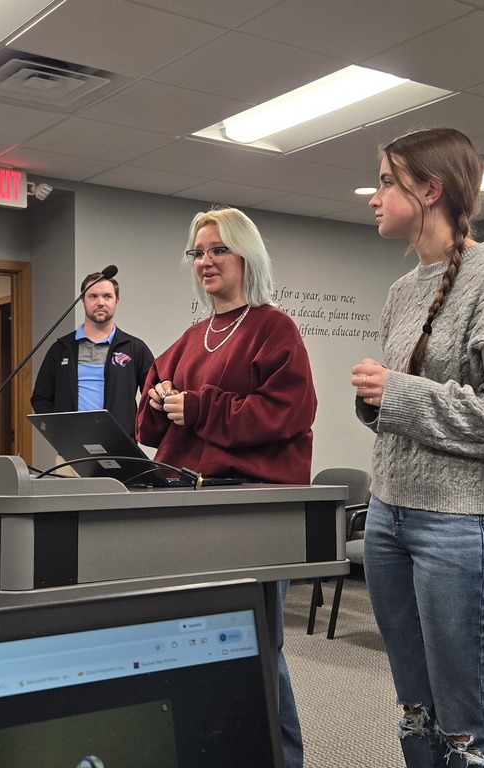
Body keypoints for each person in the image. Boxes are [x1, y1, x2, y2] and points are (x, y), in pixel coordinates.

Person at [350, 127, 484, 768]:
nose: (374, 196)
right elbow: (414, 412)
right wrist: (377, 405)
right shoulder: (402, 291)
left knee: (465, 727)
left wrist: (403, 396)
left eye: (387, 182)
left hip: (460, 526)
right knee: (416, 709)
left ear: (430, 189)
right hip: (389, 515)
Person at [136, 206, 316, 768]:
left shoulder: (273, 327)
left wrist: (199, 407)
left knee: (258, 643)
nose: (206, 261)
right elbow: (152, 416)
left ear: (246, 257)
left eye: (218, 250)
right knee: (197, 640)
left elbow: (287, 413)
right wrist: (159, 399)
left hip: (253, 508)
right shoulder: (192, 337)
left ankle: (282, 759)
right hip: (194, 504)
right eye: (198, 252)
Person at [31, 271, 153, 438]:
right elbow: (40, 398)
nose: (100, 302)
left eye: (107, 296)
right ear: (82, 300)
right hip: (72, 450)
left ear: (117, 301)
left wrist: (137, 428)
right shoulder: (61, 349)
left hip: (121, 448)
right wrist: (59, 433)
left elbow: (154, 395)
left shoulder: (134, 348)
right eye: (93, 296)